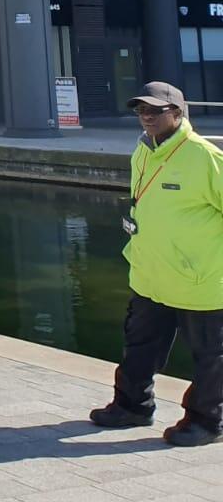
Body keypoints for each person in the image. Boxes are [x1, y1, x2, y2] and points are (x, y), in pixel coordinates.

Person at [91, 81, 223, 447]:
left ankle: (207, 421)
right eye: (141, 110)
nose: (146, 117)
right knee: (138, 346)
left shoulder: (204, 157)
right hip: (150, 275)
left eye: (155, 110)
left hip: (199, 280)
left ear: (177, 113)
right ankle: (132, 406)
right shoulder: (142, 151)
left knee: (211, 357)